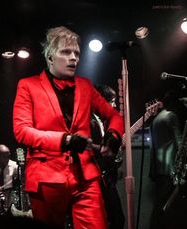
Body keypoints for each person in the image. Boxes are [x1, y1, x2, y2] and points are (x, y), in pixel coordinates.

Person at [13, 26, 124, 229]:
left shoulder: (85, 86)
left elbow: (114, 115)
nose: (73, 58)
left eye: (76, 53)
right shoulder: (28, 85)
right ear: (49, 57)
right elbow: (22, 130)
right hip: (46, 176)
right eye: (66, 52)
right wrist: (64, 140)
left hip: (86, 176)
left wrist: (114, 135)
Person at [149, 89, 187, 229]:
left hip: (158, 168)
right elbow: (179, 143)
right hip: (171, 168)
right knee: (170, 208)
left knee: (160, 204)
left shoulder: (157, 119)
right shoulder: (171, 116)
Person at [91, 84, 125, 229]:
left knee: (115, 220)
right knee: (116, 220)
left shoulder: (104, 122)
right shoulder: (89, 120)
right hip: (99, 179)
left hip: (106, 178)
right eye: (112, 101)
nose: (115, 105)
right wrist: (106, 151)